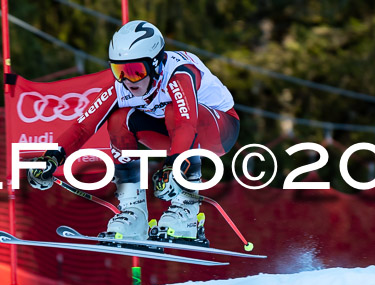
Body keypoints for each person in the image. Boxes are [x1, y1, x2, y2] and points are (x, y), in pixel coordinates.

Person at [27, 20, 239, 243]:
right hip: (175, 134)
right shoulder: (121, 86)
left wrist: (172, 168)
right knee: (119, 119)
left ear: (156, 64)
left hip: (219, 131)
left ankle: (187, 211)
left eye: (136, 71)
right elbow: (83, 126)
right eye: (119, 71)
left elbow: (187, 123)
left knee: (171, 111)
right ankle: (134, 212)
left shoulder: (179, 74)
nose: (127, 81)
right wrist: (51, 158)